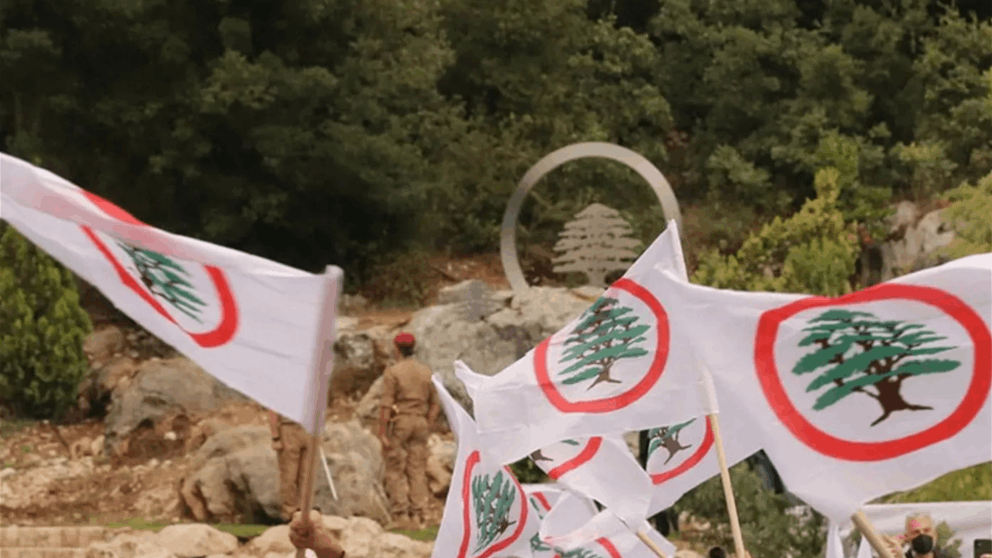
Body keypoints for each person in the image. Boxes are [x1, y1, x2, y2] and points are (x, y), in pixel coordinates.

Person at [378, 332, 440, 530]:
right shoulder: (426, 371)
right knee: (417, 469)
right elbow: (435, 403)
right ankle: (420, 513)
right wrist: (428, 422)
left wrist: (382, 432)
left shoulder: (393, 372)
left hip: (401, 422)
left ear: (396, 349)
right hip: (420, 422)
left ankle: (401, 514)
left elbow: (386, 403)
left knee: (394, 468)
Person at [269, 409, 312, 522]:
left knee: (307, 475)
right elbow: (273, 410)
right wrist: (275, 436)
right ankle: (289, 513)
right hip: (288, 428)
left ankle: (303, 512)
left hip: (308, 428)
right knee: (289, 475)